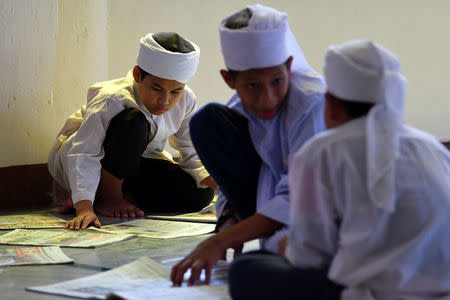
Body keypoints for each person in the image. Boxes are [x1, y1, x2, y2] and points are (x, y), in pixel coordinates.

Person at [229, 39, 450, 300]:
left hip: (371, 293)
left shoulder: (321, 151)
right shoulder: (431, 147)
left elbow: (310, 256)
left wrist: (287, 244)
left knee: (247, 269)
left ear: (331, 105)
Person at [170, 4, 326, 286]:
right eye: (253, 85)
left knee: (247, 274)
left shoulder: (312, 104)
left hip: (321, 217)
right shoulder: (239, 109)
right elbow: (234, 180)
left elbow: (301, 197)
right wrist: (227, 221)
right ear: (230, 80)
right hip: (279, 213)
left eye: (277, 81)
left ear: (289, 67)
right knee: (207, 121)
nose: (267, 98)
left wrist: (219, 243)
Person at [48, 32, 216, 231]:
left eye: (175, 91)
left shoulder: (187, 99)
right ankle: (107, 197)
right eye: (156, 88)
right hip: (79, 158)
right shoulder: (113, 98)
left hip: (132, 164)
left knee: (200, 193)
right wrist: (83, 207)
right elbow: (84, 150)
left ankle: (99, 193)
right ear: (137, 75)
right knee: (133, 122)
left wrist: (220, 184)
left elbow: (191, 149)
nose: (165, 101)